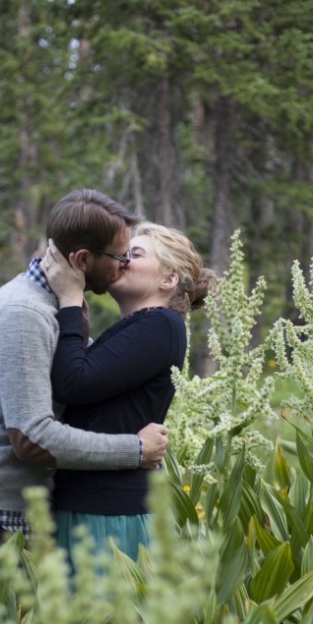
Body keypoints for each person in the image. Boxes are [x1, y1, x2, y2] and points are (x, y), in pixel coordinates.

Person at [0, 190, 169, 547]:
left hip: (18, 513)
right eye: (118, 256)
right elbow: (32, 438)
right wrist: (136, 450)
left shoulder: (57, 307)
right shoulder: (25, 313)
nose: (124, 264)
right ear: (82, 259)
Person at [43, 221, 215, 562]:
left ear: (168, 280)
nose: (122, 260)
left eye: (134, 254)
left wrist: (70, 299)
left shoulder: (159, 324)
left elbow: (72, 382)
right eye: (123, 253)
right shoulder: (141, 327)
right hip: (96, 505)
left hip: (106, 515)